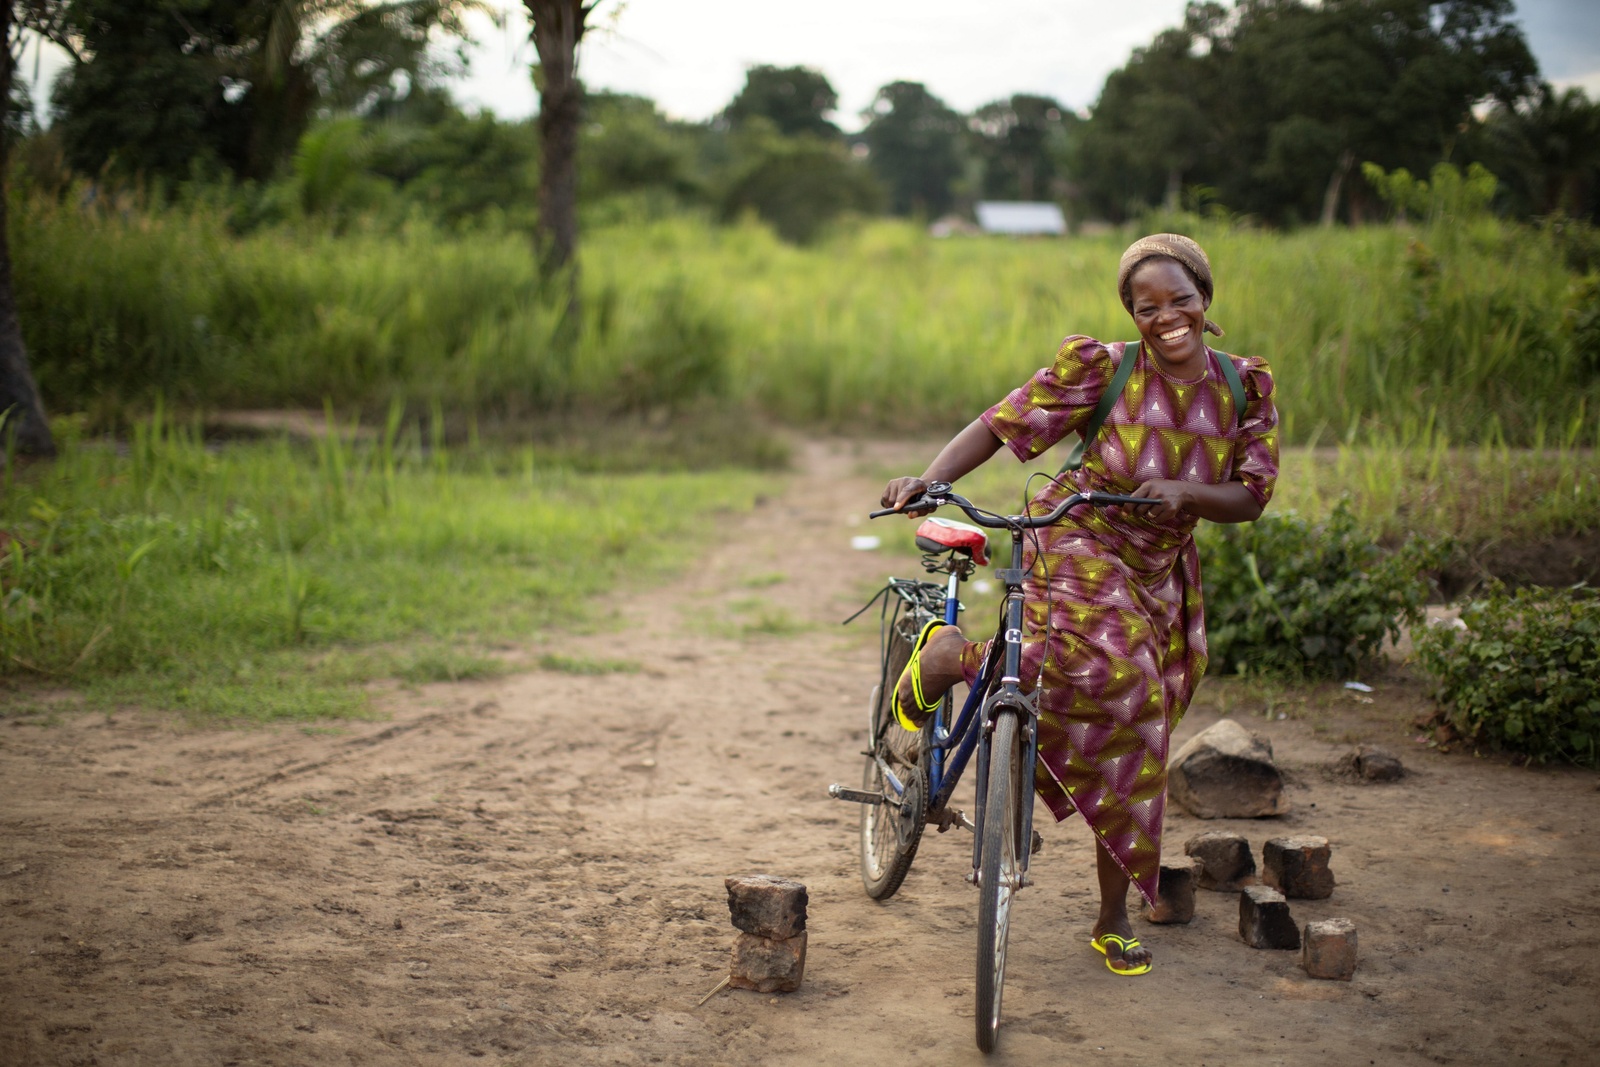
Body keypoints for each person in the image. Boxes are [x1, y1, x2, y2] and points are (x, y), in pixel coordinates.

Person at [881, 233, 1279, 977]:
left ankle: (1112, 915)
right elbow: (1001, 422)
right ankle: (951, 660)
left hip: (1160, 570)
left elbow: (1251, 495)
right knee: (1118, 677)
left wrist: (1189, 493)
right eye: (1146, 305)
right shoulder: (1104, 367)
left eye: (1179, 299)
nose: (1165, 317)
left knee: (1141, 726)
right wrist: (928, 478)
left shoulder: (1243, 387)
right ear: (1131, 313)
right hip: (1076, 534)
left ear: (1205, 297)